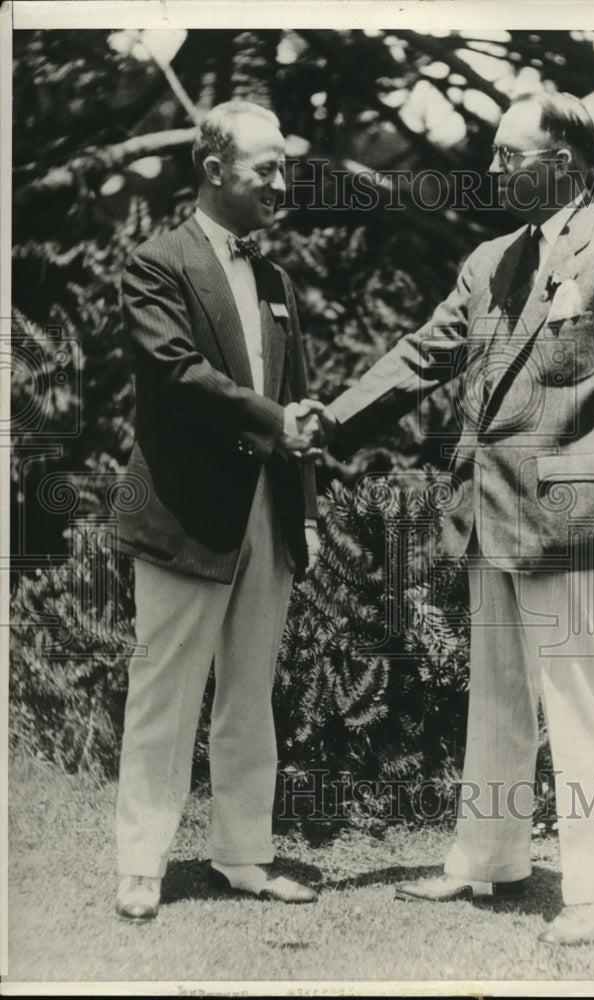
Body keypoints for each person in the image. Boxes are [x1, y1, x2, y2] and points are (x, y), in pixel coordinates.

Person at [320, 92, 594, 945]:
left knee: (581, 699)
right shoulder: (491, 260)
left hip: (572, 517)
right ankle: (489, 860)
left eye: (508, 155)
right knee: (495, 697)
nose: (492, 170)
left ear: (562, 162)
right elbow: (422, 354)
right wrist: (332, 419)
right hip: (490, 513)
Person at [115, 100, 326, 921]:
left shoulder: (275, 280)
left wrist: (304, 512)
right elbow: (173, 376)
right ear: (212, 170)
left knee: (250, 693)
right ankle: (140, 864)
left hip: (265, 520)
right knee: (164, 691)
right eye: (266, 166)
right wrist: (277, 423)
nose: (282, 181)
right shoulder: (156, 263)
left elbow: (297, 397)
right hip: (184, 516)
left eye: (286, 166)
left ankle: (243, 854)